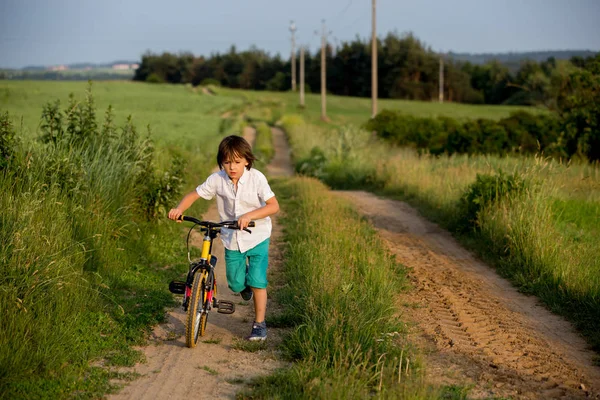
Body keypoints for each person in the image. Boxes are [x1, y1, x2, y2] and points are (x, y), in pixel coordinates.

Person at [168, 135, 279, 341]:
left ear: (247, 160)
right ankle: (245, 286)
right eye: (227, 162)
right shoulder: (217, 179)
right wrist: (179, 209)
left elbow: (273, 206)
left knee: (258, 281)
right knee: (236, 284)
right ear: (221, 163)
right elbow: (194, 194)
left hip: (257, 236)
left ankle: (259, 324)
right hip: (231, 238)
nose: (232, 167)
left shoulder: (257, 178)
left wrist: (249, 215)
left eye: (237, 162)